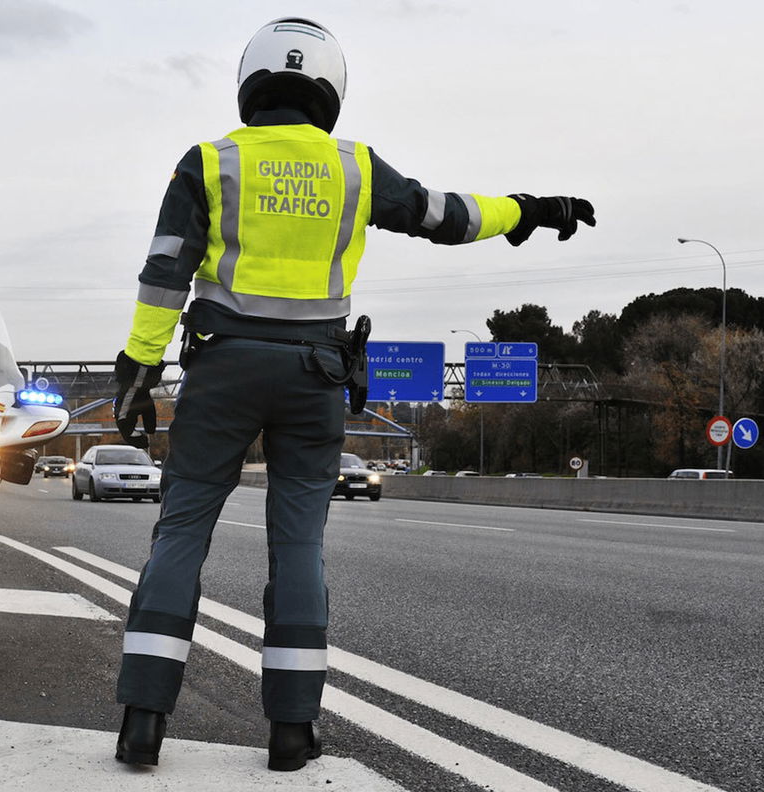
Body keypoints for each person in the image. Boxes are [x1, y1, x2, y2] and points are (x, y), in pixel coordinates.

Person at [111, 16, 595, 772]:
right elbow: (445, 215)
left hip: (222, 371)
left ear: (251, 82)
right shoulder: (356, 167)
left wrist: (138, 374)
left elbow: (165, 270)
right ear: (329, 89)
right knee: (297, 546)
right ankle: (292, 733)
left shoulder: (209, 161)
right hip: (315, 379)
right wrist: (529, 209)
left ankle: (144, 721)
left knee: (180, 534)